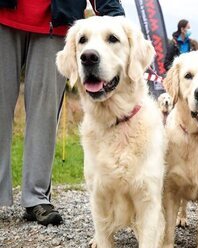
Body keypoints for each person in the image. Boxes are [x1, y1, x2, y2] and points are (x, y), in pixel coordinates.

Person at [0, 0, 124, 225]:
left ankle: (36, 196)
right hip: (3, 17)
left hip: (54, 23)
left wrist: (116, 16)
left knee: (45, 114)